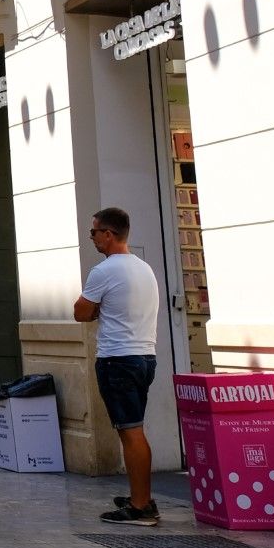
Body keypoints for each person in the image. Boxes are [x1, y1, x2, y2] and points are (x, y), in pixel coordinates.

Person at [76, 206, 162, 526]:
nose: (92, 238)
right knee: (134, 430)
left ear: (109, 234)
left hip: (118, 359)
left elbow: (81, 312)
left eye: (94, 232)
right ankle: (141, 497)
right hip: (144, 357)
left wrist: (97, 308)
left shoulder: (105, 270)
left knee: (131, 432)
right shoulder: (143, 268)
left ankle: (141, 506)